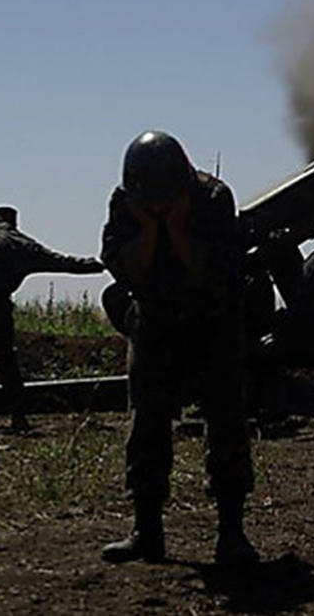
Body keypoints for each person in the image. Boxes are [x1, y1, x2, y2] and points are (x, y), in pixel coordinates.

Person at [99, 130, 257, 567]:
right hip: (155, 322)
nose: (154, 204)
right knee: (147, 425)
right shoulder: (126, 204)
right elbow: (124, 270)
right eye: (147, 200)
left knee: (226, 422)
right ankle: (146, 532)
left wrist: (178, 226)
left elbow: (212, 273)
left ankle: (232, 535)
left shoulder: (213, 199)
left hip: (213, 322)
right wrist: (151, 228)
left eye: (163, 198)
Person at [0, 206, 104, 430]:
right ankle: (19, 417)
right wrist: (97, 265)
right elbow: (62, 262)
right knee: (5, 359)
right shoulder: (26, 248)